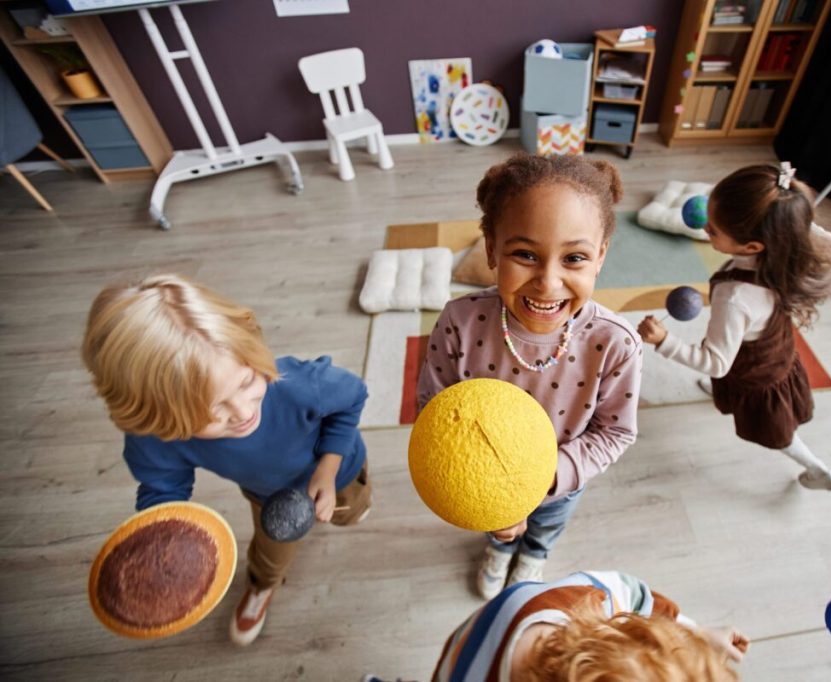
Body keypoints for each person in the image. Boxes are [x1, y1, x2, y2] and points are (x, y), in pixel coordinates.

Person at [81, 274, 372, 646]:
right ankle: (261, 585)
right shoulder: (160, 436)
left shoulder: (299, 384)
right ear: (163, 421)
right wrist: (160, 555)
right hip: (265, 494)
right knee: (269, 551)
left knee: (350, 510)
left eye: (247, 382)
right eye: (213, 410)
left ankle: (354, 508)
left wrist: (328, 471)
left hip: (342, 469)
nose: (241, 413)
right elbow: (162, 489)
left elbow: (352, 398)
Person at [417, 154, 643, 599]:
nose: (547, 281)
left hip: (560, 481)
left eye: (574, 258)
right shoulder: (460, 322)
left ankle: (534, 556)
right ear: (490, 249)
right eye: (525, 254)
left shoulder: (616, 344)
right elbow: (433, 407)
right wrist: (492, 496)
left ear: (600, 257)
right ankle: (500, 549)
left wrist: (540, 481)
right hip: (480, 480)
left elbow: (615, 432)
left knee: (547, 526)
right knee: (499, 529)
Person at [638, 162, 831, 491]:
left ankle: (819, 470)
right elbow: (828, 240)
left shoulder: (735, 298)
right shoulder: (784, 245)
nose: (706, 229)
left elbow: (717, 364)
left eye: (714, 230)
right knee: (728, 350)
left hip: (757, 376)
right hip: (773, 348)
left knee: (779, 435)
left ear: (752, 247)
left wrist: (664, 340)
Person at [432, 570, 748, 681]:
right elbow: (639, 598)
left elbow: (637, 598)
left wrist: (697, 633)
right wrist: (697, 632)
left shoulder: (591, 597)